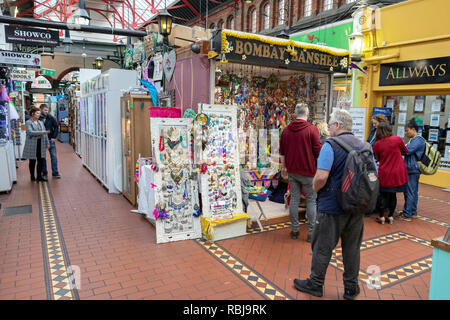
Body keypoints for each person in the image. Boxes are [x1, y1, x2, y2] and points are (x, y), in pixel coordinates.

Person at [293, 109, 369, 300]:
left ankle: (315, 284)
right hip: (357, 207)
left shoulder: (330, 145)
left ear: (337, 125)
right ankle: (351, 288)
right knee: (352, 249)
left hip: (332, 208)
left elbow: (321, 176)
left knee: (322, 247)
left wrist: (315, 190)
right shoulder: (365, 145)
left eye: (330, 123)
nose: (328, 126)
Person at [280, 103, 321, 241]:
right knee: (311, 200)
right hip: (309, 172)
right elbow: (318, 152)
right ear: (307, 114)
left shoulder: (286, 130)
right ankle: (311, 233)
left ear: (295, 114)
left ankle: (295, 231)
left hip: (292, 171)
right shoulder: (312, 130)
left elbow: (282, 153)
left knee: (294, 200)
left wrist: (284, 168)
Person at [373, 122, 408, 224]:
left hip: (385, 172)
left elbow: (378, 158)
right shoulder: (397, 139)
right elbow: (405, 151)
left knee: (383, 195)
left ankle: (381, 217)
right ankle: (391, 216)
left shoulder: (377, 144)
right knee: (393, 195)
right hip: (398, 171)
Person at [402, 119, 426, 221]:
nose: (405, 133)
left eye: (407, 131)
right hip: (412, 168)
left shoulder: (418, 140)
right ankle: (412, 211)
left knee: (410, 191)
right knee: (413, 191)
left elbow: (407, 151)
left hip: (412, 169)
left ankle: (407, 214)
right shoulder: (414, 140)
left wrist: (400, 147)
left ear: (413, 129)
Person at [22, 106, 50, 182]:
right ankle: (32, 176)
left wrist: (47, 143)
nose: (39, 115)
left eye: (39, 113)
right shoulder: (28, 122)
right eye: (37, 113)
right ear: (32, 113)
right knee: (32, 160)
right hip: (32, 144)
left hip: (41, 143)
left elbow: (45, 134)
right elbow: (30, 132)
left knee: (41, 160)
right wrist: (42, 132)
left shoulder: (40, 122)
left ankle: (39, 176)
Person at [39, 103, 61, 179]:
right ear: (41, 110)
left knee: (54, 156)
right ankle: (44, 172)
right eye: (45, 110)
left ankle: (55, 172)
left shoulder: (51, 117)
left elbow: (56, 127)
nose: (46, 111)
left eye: (47, 110)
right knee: (43, 157)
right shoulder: (38, 118)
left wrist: (54, 137)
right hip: (41, 140)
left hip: (50, 139)